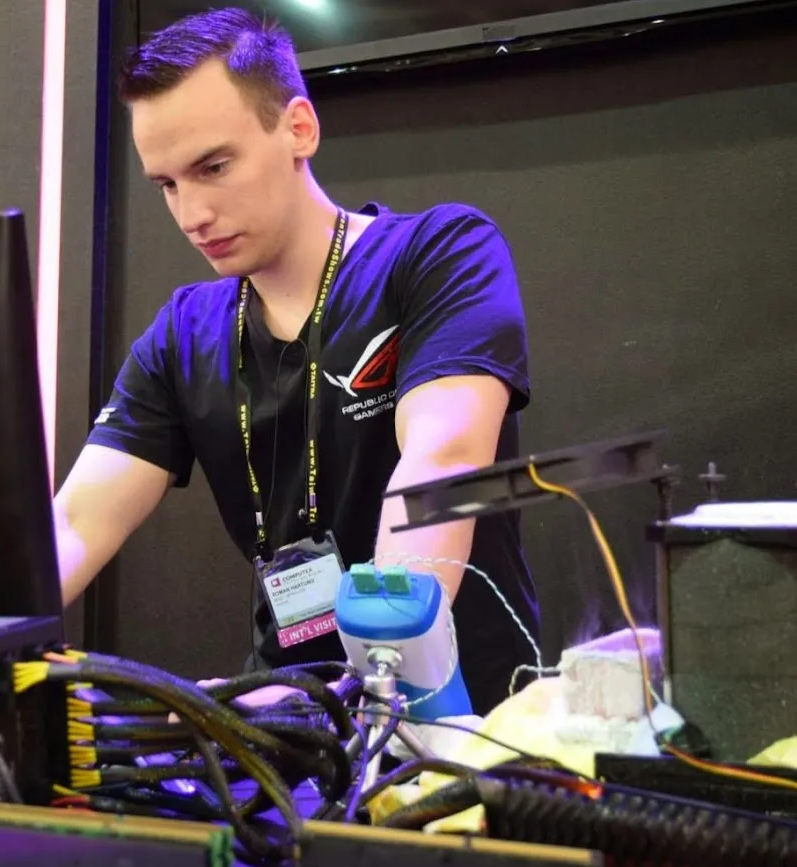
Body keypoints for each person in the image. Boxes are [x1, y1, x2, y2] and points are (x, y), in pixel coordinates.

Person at [52, 7, 540, 715]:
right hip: (283, 723)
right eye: (168, 185)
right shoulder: (183, 334)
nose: (191, 214)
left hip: (461, 721)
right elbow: (75, 524)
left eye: (213, 167)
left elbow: (441, 463)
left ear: (299, 129)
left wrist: (363, 685)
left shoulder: (439, 255)